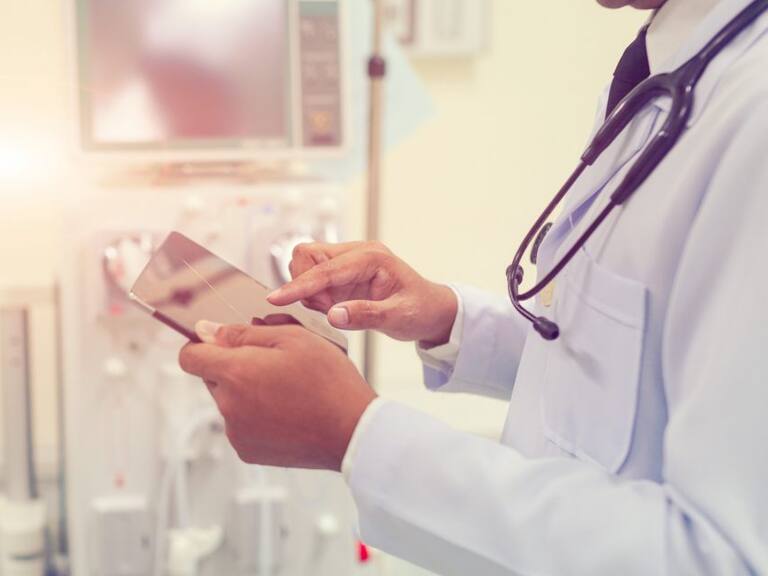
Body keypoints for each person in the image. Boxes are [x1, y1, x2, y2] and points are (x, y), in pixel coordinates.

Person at [178, 0, 768, 573]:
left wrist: (355, 434)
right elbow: (633, 364)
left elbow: (720, 557)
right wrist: (446, 317)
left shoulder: (751, 115)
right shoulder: (670, 65)